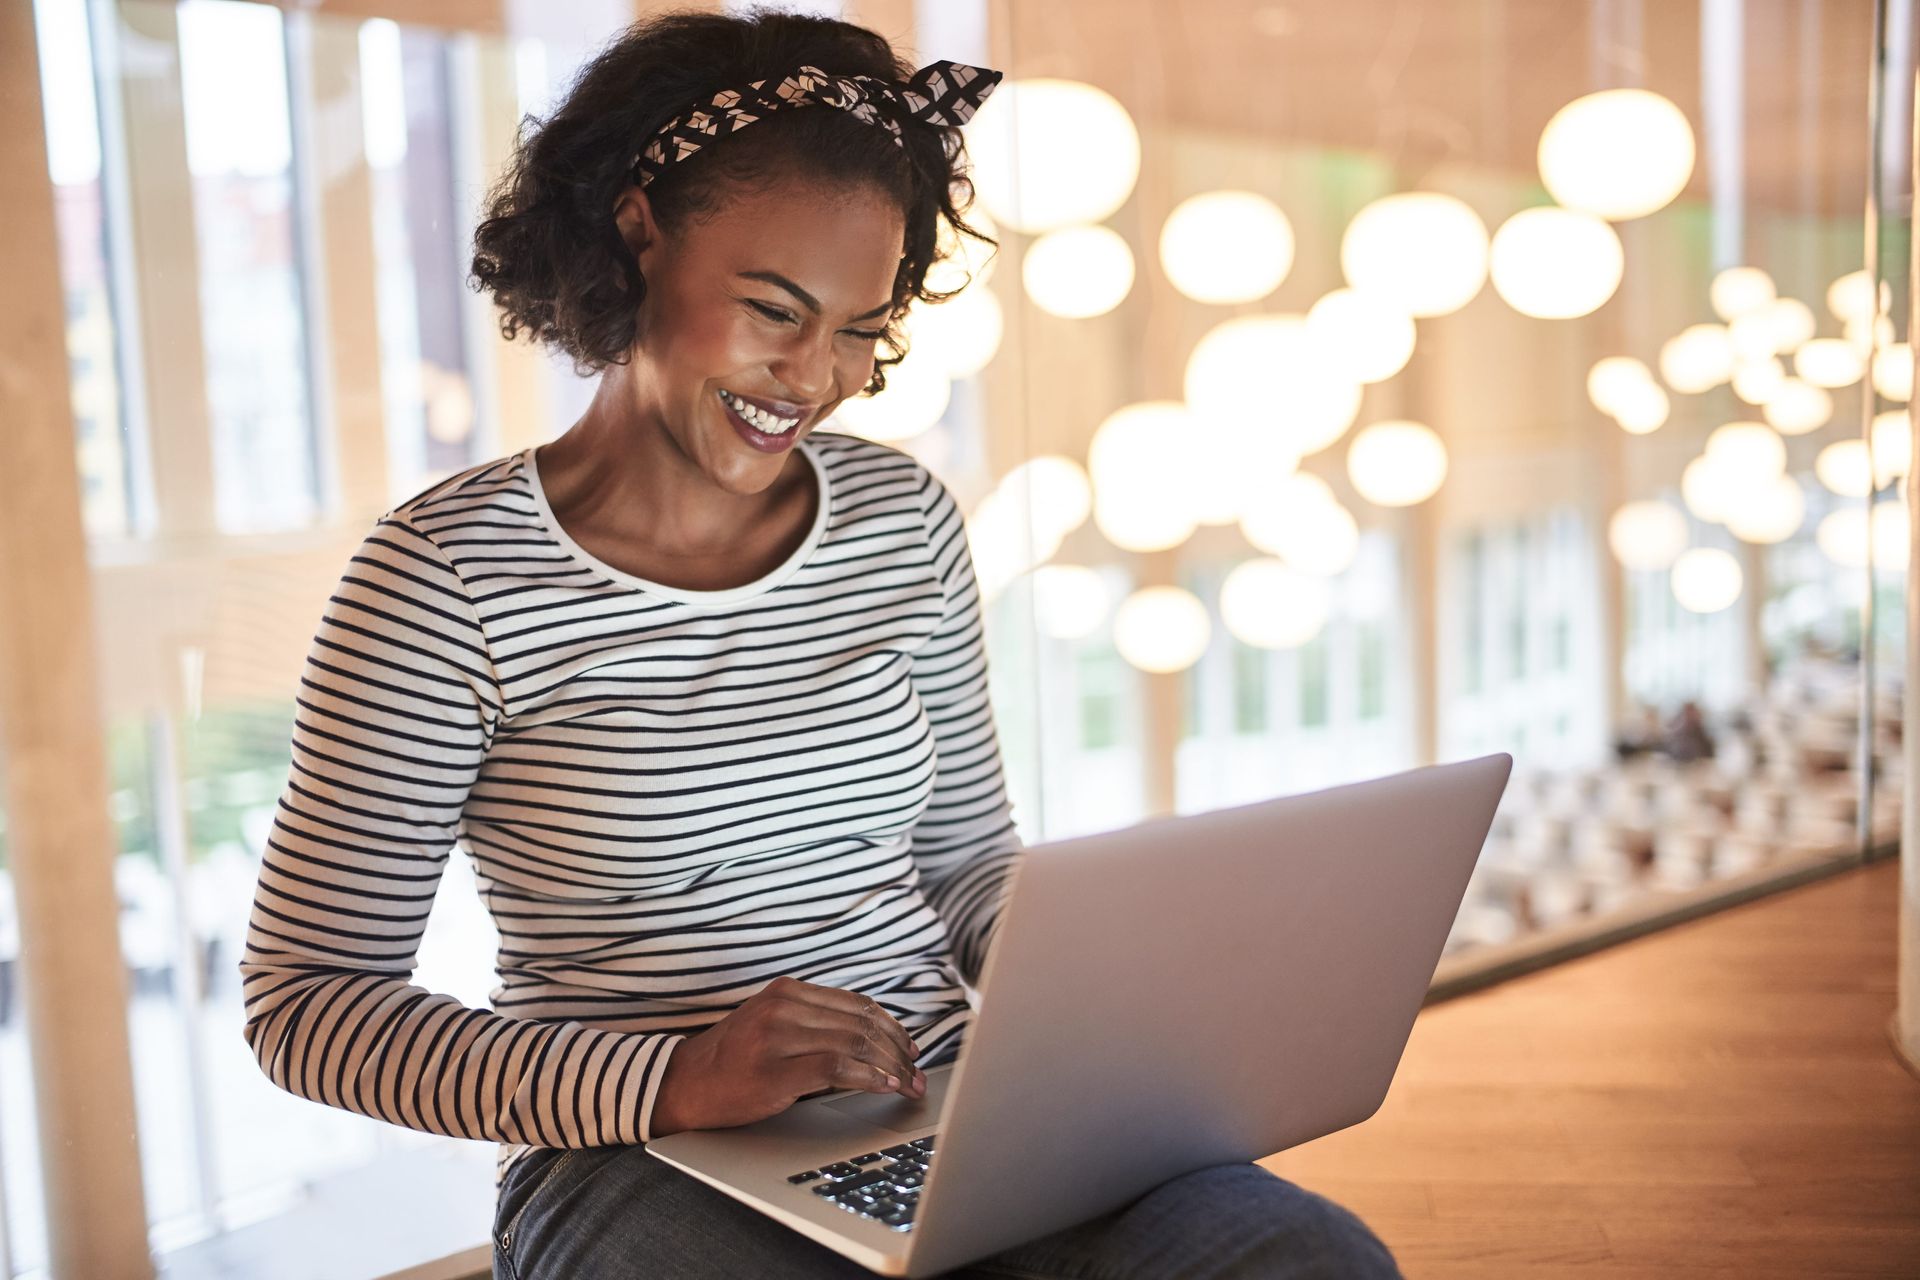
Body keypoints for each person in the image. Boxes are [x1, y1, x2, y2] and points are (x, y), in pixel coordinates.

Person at [236, 7, 1402, 1277]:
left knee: (1296, 1253)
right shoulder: (445, 578)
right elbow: (309, 1005)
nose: (812, 375)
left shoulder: (900, 521)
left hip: (945, 1106)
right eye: (774, 309)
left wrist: (1102, 1014)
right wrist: (674, 1075)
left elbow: (968, 866)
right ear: (639, 237)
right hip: (634, 1162)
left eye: (859, 326)